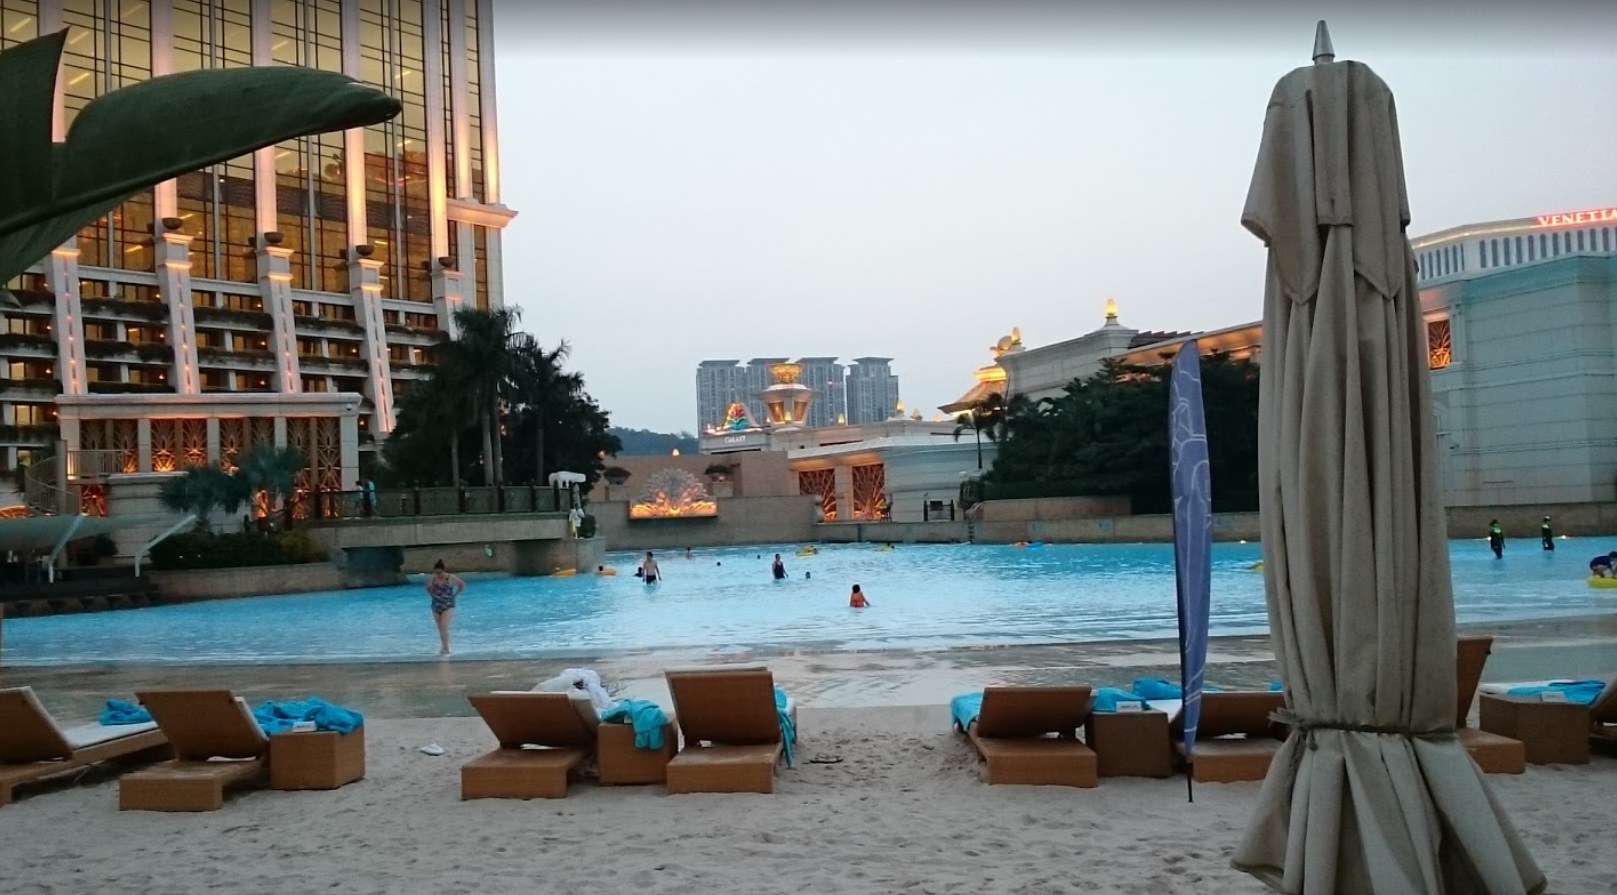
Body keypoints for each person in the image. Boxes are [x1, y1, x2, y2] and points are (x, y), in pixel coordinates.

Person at [424, 560, 466, 656]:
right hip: (436, 605)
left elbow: (462, 585)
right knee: (440, 627)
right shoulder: (433, 579)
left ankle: (446, 648)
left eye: (440, 572)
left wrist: (455, 595)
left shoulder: (450, 578)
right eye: (436, 572)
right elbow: (426, 587)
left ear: (444, 570)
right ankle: (443, 647)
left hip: (448, 605)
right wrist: (432, 595)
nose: (438, 574)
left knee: (444, 625)